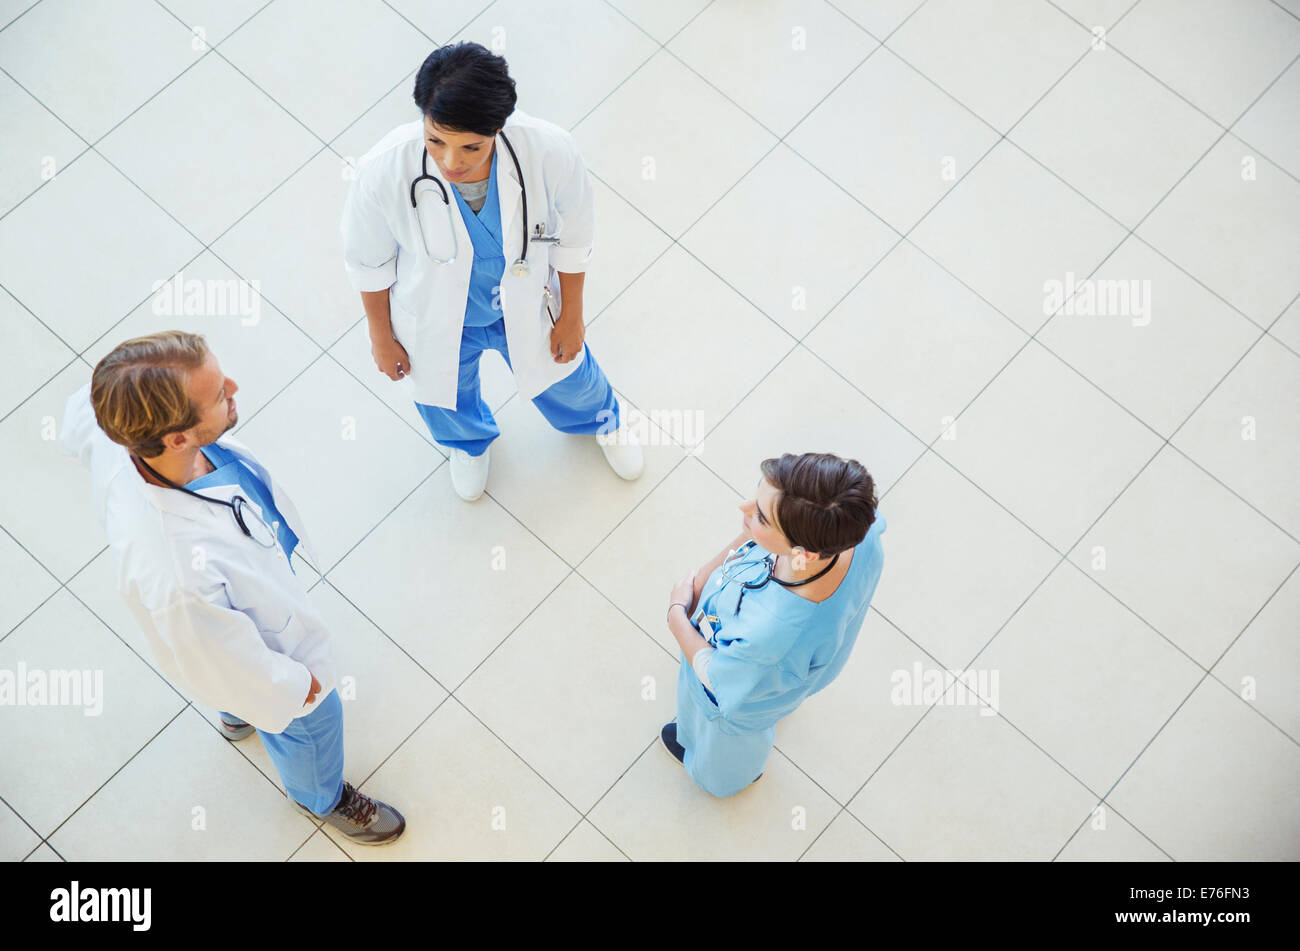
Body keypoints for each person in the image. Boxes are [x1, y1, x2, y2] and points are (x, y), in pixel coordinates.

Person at [60, 331, 405, 845]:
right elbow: (217, 658)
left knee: (231, 665)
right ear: (177, 439)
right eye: (220, 393)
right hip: (255, 660)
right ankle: (321, 797)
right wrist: (293, 687)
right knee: (312, 721)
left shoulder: (113, 417)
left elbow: (77, 419)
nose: (235, 388)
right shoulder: (176, 575)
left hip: (231, 622)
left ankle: (235, 712)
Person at [341, 41, 642, 501]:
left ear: (498, 128)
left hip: (524, 301)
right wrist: (381, 337)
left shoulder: (549, 150)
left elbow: (575, 240)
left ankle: (604, 424)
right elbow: (368, 262)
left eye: (471, 147)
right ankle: (467, 445)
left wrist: (572, 316)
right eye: (435, 140)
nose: (450, 162)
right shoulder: (383, 170)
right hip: (438, 314)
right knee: (444, 394)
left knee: (569, 376)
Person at [662, 453, 886, 797]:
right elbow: (756, 543)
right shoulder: (856, 531)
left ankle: (731, 774)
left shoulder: (771, 633)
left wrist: (677, 615)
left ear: (804, 552)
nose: (743, 507)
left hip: (740, 701)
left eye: (761, 517)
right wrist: (708, 571)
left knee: (725, 746)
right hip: (799, 667)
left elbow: (718, 677)